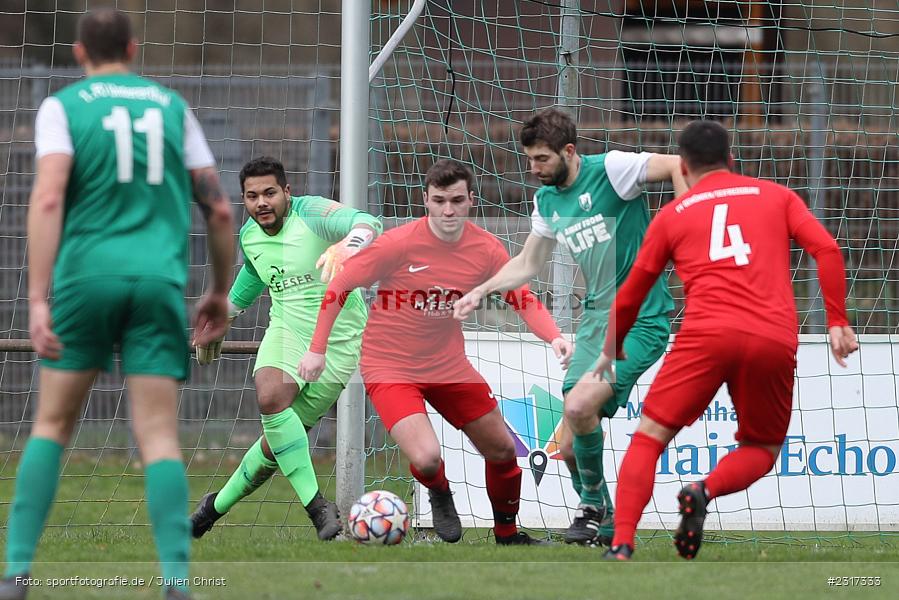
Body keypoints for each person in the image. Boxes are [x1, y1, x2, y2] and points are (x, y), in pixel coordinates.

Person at [0, 9, 235, 600]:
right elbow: (220, 209)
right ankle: (177, 583)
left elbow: (49, 197)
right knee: (158, 435)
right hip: (156, 282)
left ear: (79, 52)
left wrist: (35, 297)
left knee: (51, 425)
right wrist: (219, 290)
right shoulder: (172, 107)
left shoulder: (63, 107)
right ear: (133, 47)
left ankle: (16, 574)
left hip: (85, 281)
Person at [596, 120, 858, 561]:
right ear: (731, 160)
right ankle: (703, 490)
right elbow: (827, 250)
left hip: (705, 336)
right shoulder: (777, 196)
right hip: (772, 336)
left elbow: (632, 292)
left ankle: (622, 544)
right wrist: (835, 321)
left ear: (682, 165)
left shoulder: (673, 215)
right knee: (761, 447)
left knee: (649, 438)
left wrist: (611, 349)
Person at [299, 159, 572, 545]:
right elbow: (340, 284)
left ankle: (508, 535)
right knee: (426, 457)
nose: (448, 210)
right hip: (389, 366)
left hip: (448, 365)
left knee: (502, 450)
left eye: (457, 201)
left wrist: (555, 336)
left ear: (471, 201)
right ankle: (440, 493)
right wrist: (316, 350)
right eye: (439, 200)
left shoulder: (486, 248)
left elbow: (522, 298)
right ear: (425, 200)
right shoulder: (399, 243)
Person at [454, 107, 687, 546]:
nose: (534, 167)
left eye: (541, 158)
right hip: (596, 319)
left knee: (579, 408)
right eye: (529, 159)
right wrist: (479, 291)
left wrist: (685, 221)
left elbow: (678, 164)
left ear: (569, 151)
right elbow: (528, 262)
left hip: (641, 319)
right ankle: (608, 522)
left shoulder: (613, 170)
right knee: (568, 441)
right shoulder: (547, 201)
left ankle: (591, 505)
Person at [189, 156, 381, 541]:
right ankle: (317, 507)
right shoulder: (249, 235)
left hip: (340, 343)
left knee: (276, 447)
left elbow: (369, 223)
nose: (261, 202)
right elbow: (255, 275)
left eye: (270, 193)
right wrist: (222, 317)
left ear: (287, 192)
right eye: (252, 195)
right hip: (286, 331)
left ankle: (212, 509)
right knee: (271, 397)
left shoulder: (312, 213)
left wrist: (348, 246)